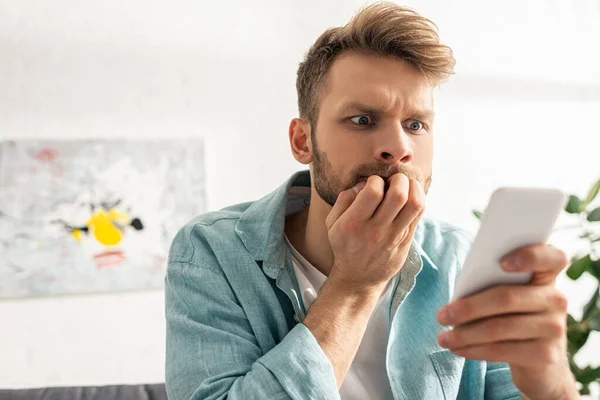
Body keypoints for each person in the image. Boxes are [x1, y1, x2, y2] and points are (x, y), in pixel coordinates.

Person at [164, 2, 578, 399]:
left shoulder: (460, 258)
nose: (397, 148)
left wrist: (554, 389)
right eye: (362, 120)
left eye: (416, 124)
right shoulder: (210, 251)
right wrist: (355, 285)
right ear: (302, 140)